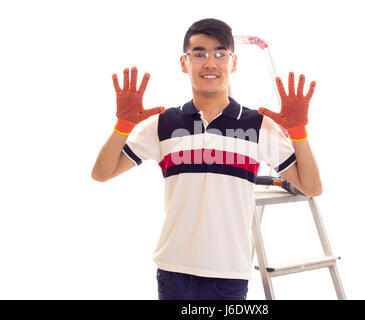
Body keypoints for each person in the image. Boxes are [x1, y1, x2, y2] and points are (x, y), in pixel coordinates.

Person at [91, 18, 322, 300]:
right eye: (199, 54)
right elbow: (101, 173)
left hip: (227, 276)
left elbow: (312, 187)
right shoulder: (163, 124)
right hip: (172, 270)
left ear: (233, 63)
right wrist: (122, 127)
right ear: (184, 63)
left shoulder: (258, 126)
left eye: (220, 54)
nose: (209, 63)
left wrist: (299, 134)